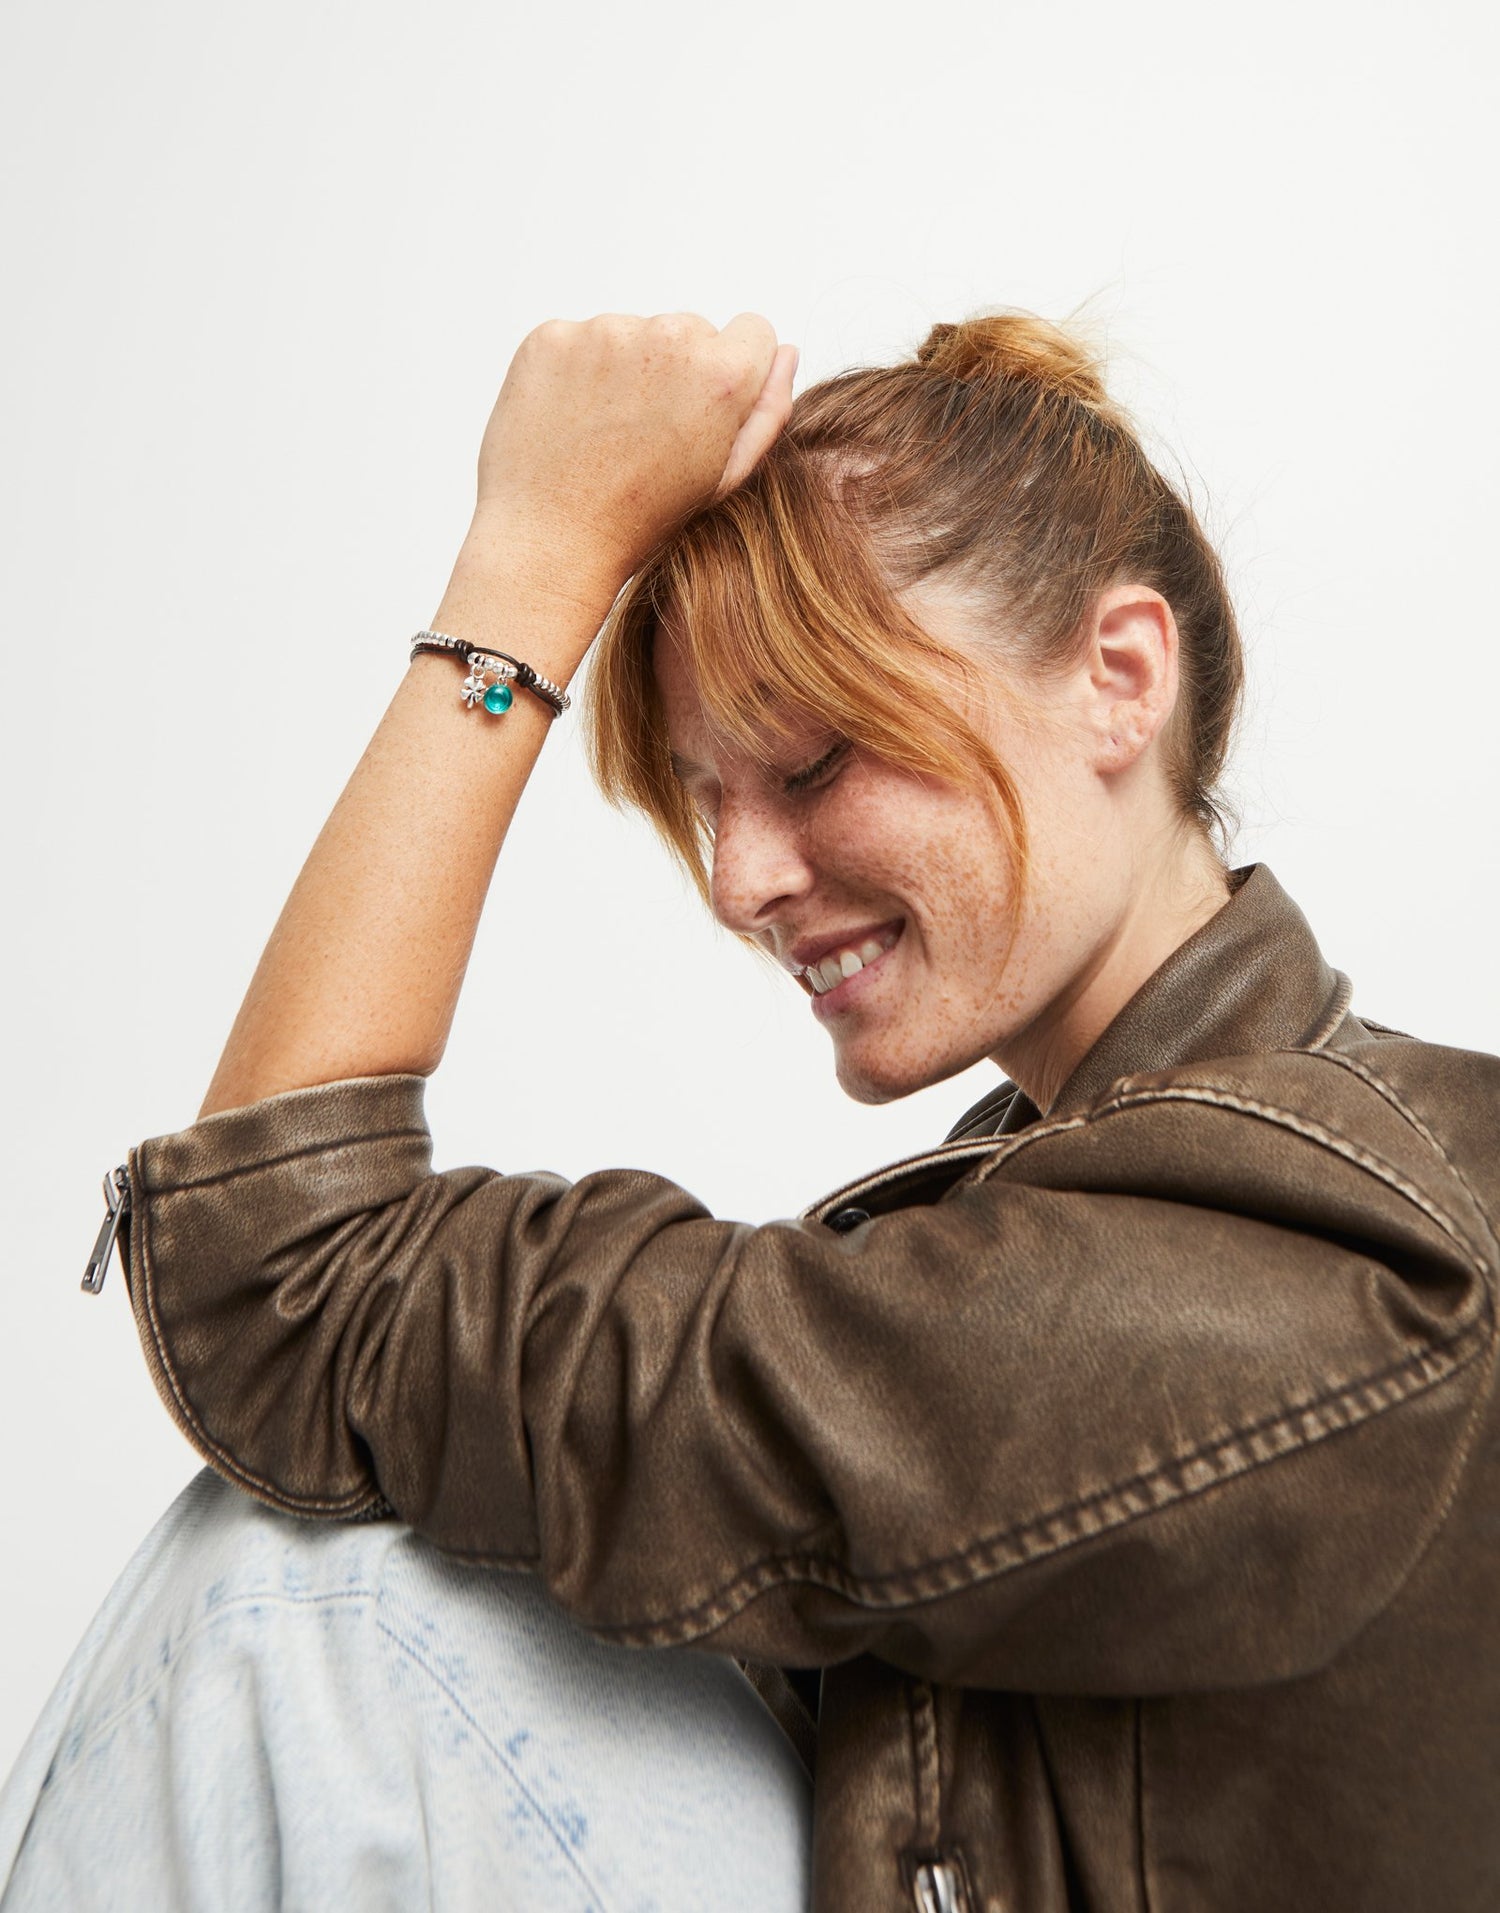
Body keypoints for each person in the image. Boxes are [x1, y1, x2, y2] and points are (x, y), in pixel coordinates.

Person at [3, 308, 1497, 1913]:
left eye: (817, 759)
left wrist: (527, 565)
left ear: (1118, 680)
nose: (738, 879)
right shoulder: (1130, 1175)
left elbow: (285, 1275)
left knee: (294, 1610)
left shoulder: (1329, 1259)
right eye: (709, 793)